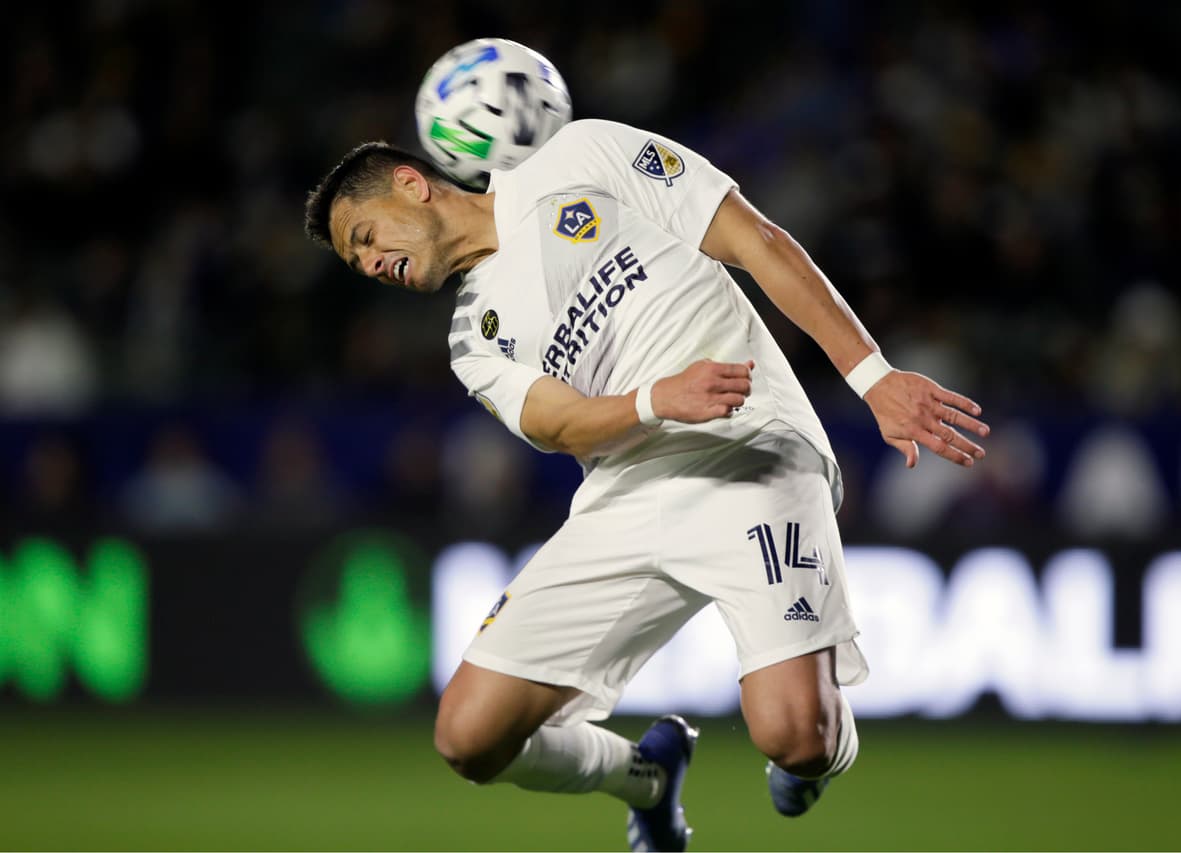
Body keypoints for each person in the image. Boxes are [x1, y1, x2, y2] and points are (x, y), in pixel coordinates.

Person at [304, 119, 988, 851]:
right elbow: (559, 422)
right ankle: (647, 779)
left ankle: (815, 756)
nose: (371, 264)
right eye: (358, 261)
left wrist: (871, 376)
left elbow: (753, 239)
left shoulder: (574, 154)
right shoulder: (473, 336)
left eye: (368, 238)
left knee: (796, 736)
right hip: (626, 492)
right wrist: (654, 401)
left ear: (412, 184)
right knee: (468, 734)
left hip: (749, 451)